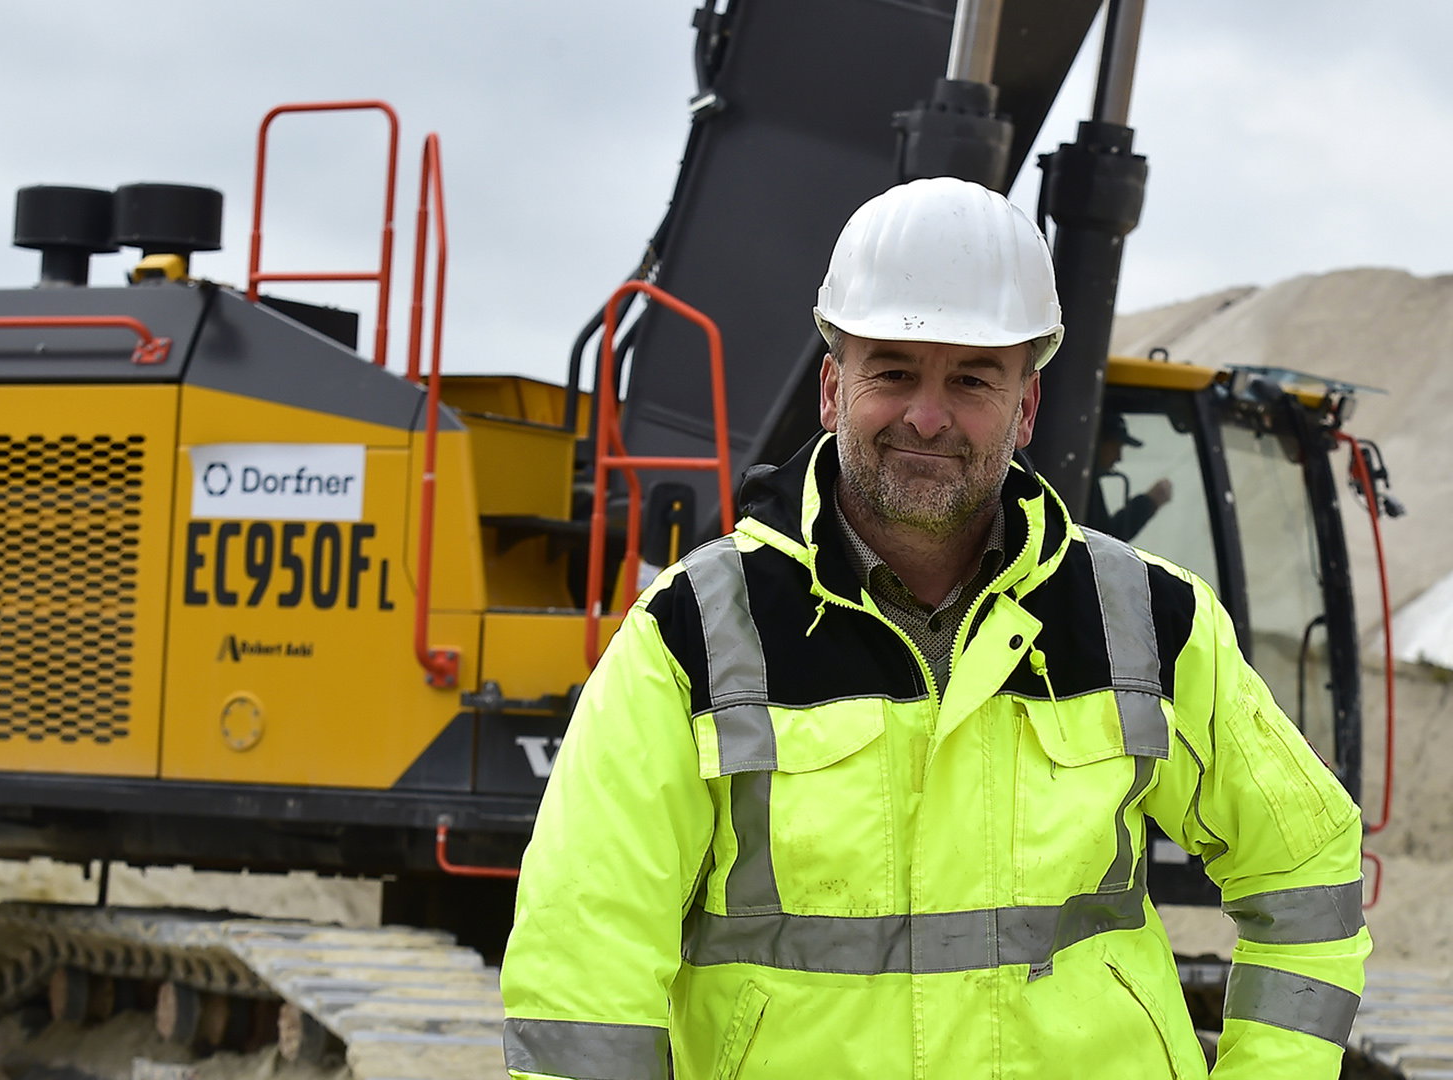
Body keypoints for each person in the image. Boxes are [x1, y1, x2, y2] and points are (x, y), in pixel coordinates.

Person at [501, 177, 1368, 1080]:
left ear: (1025, 409)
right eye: (893, 372)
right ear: (833, 388)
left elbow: (1303, 866)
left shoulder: (1149, 621)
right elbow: (584, 961)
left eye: (972, 379)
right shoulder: (693, 635)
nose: (926, 415)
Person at [1089, 411, 1173, 541]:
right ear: (1096, 443)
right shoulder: (1079, 487)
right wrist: (1148, 503)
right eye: (1115, 447)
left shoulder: (1086, 485)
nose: (1119, 457)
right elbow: (1102, 541)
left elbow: (1103, 537)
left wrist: (1148, 503)